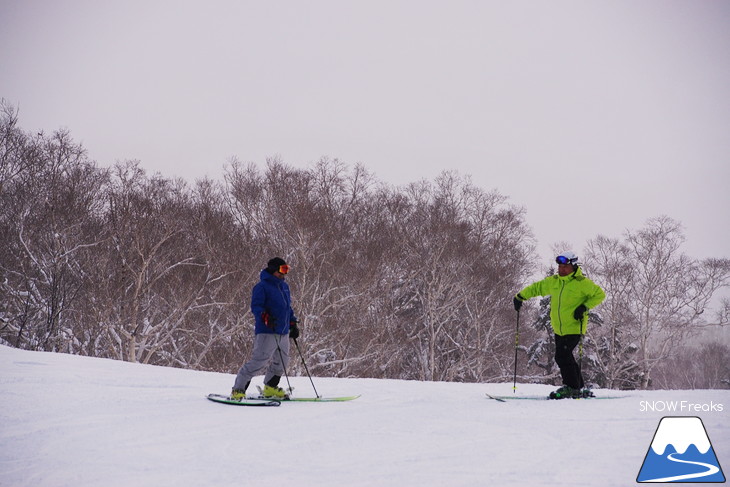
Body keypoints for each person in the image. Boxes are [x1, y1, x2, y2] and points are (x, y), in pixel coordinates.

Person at [513, 251, 605, 399]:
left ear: (573, 267)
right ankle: (578, 387)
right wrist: (520, 296)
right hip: (558, 328)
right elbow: (537, 288)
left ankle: (571, 387)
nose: (561, 270)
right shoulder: (554, 281)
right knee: (565, 356)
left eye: (565, 267)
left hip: (574, 326)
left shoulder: (582, 283)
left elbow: (600, 294)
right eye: (560, 267)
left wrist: (584, 306)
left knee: (562, 356)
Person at [231, 257, 300, 400]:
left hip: (283, 331)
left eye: (286, 269)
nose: (284, 274)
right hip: (267, 331)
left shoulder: (284, 287)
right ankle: (238, 390)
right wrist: (264, 317)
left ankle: (270, 388)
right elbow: (256, 307)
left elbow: (287, 308)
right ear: (273, 270)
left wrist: (292, 323)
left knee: (282, 362)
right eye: (282, 270)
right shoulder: (261, 287)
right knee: (259, 362)